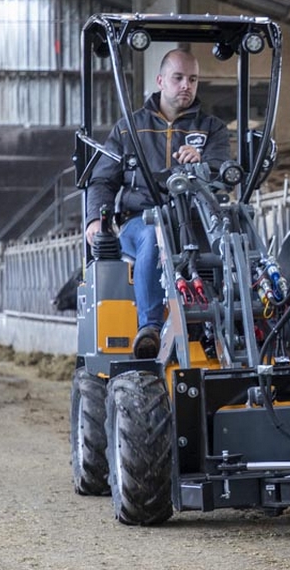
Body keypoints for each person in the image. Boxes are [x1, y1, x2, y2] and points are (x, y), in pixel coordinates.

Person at [85, 49, 231, 358]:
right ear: (160, 80)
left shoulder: (211, 129)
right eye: (178, 78)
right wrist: (95, 220)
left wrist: (203, 164)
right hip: (140, 221)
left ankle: (231, 328)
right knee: (156, 236)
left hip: (194, 220)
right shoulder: (129, 128)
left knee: (231, 244)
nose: (186, 86)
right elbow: (102, 180)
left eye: (192, 79)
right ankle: (149, 327)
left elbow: (224, 171)